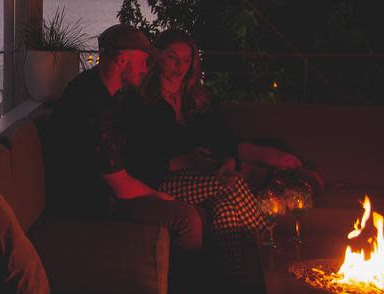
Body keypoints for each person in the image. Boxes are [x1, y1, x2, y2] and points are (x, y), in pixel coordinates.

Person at [125, 29, 304, 279]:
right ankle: (270, 246)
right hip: (161, 181)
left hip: (202, 177)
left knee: (227, 212)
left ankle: (236, 288)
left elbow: (223, 140)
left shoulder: (200, 99)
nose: (179, 66)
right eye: (172, 58)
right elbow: (139, 160)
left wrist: (228, 161)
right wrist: (184, 160)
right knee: (232, 185)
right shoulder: (142, 103)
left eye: (186, 60)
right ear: (158, 57)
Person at [45, 23, 203, 252]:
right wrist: (160, 196)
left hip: (106, 194)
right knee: (187, 219)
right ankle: (184, 288)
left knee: (192, 211)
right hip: (90, 204)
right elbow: (120, 186)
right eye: (141, 61)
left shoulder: (109, 93)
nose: (145, 68)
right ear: (121, 61)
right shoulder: (92, 103)